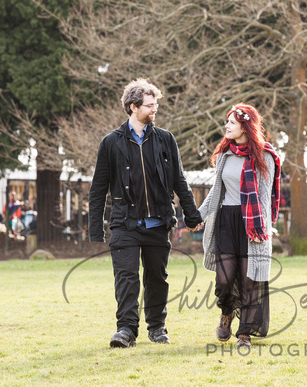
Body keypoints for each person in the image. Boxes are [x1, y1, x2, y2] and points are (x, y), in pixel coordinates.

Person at [89, 78, 203, 348]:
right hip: (124, 225)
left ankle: (157, 327)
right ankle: (126, 330)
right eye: (150, 106)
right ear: (133, 107)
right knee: (126, 278)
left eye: (156, 105)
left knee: (157, 278)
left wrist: (192, 215)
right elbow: (98, 188)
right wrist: (96, 228)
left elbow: (179, 180)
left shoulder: (165, 139)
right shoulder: (110, 143)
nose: (155, 110)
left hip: (158, 223)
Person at [197, 103, 281, 348]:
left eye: (231, 123)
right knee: (224, 279)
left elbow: (264, 197)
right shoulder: (225, 154)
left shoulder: (265, 156)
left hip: (251, 224)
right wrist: (197, 216)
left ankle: (245, 332)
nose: (226, 126)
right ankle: (226, 313)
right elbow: (216, 192)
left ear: (245, 126)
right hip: (226, 221)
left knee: (248, 280)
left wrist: (260, 229)